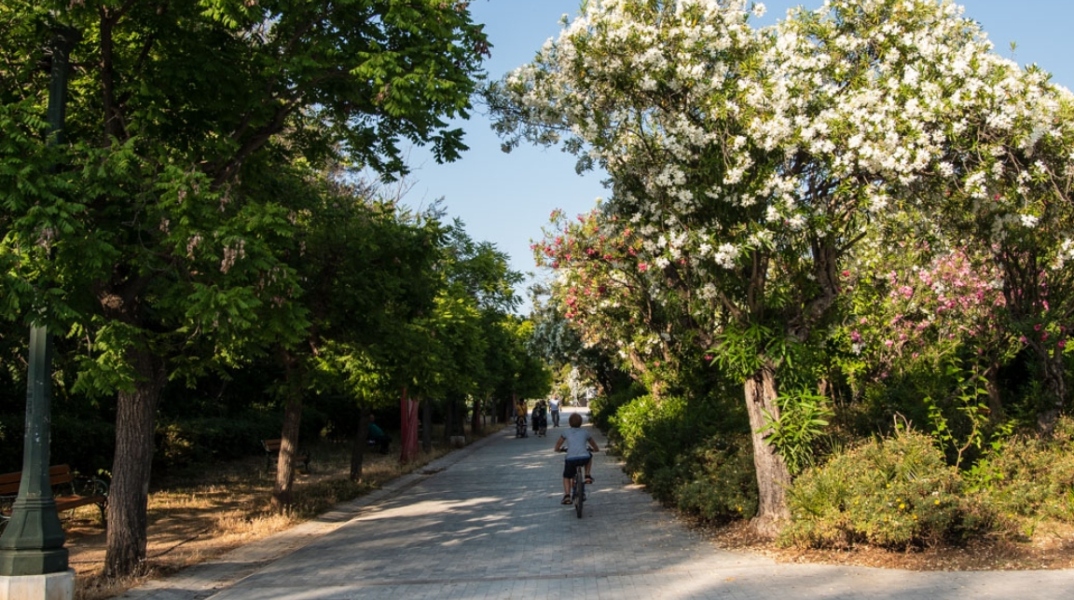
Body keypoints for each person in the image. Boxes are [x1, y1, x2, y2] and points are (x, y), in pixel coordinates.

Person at [553, 412, 599, 504]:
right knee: (589, 455)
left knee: (566, 476)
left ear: (569, 423)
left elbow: (558, 444)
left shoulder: (566, 432)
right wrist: (596, 449)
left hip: (570, 459)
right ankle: (587, 476)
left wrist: (558, 449)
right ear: (581, 422)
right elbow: (593, 443)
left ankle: (567, 496)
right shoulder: (585, 432)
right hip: (584, 457)